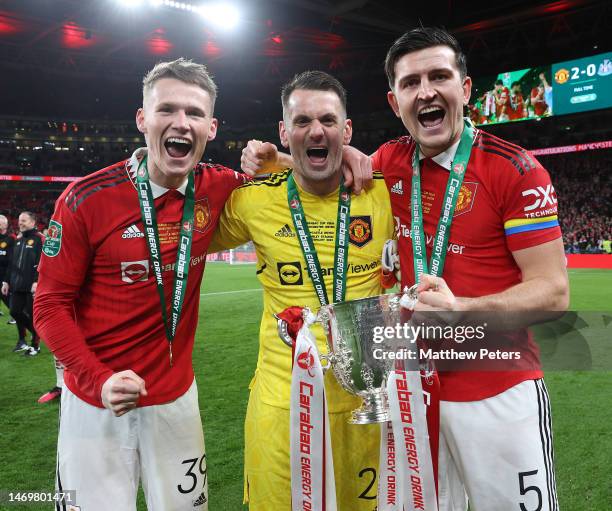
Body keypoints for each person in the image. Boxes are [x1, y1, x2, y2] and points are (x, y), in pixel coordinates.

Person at [211, 71, 435, 510]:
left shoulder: (383, 192)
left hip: (368, 402)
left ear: (347, 130)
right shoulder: (251, 200)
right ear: (283, 132)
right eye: (303, 122)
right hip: (282, 404)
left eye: (329, 121)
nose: (317, 130)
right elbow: (180, 222)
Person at [33, 58, 248, 511]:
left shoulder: (219, 187)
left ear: (212, 127)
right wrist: (99, 379)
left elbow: (301, 181)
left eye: (194, 113)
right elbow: (49, 305)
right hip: (93, 400)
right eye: (166, 109)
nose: (181, 123)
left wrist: (345, 154)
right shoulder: (86, 199)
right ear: (142, 119)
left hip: (176, 400)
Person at [375, 27, 568, 510]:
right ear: (395, 101)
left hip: (498, 390)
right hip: (411, 394)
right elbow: (327, 169)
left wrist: (461, 310)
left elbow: (552, 293)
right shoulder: (385, 163)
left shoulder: (516, 169)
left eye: (439, 76)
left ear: (464, 88)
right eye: (410, 82)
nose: (426, 92)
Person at [2, 211, 44, 355]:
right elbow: (11, 264)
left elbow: (43, 263)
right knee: (15, 311)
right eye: (19, 220)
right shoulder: (18, 240)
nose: (20, 223)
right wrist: (6, 281)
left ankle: (35, 346)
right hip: (17, 284)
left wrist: (37, 281)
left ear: (32, 222)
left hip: (32, 285)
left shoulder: (39, 239)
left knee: (33, 315)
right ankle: (35, 332)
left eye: (24, 220)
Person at [0, 214, 17, 325]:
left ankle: (16, 315)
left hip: (7, 272)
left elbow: (12, 258)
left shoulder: (11, 238)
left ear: (5, 224)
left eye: (0, 222)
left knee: (7, 295)